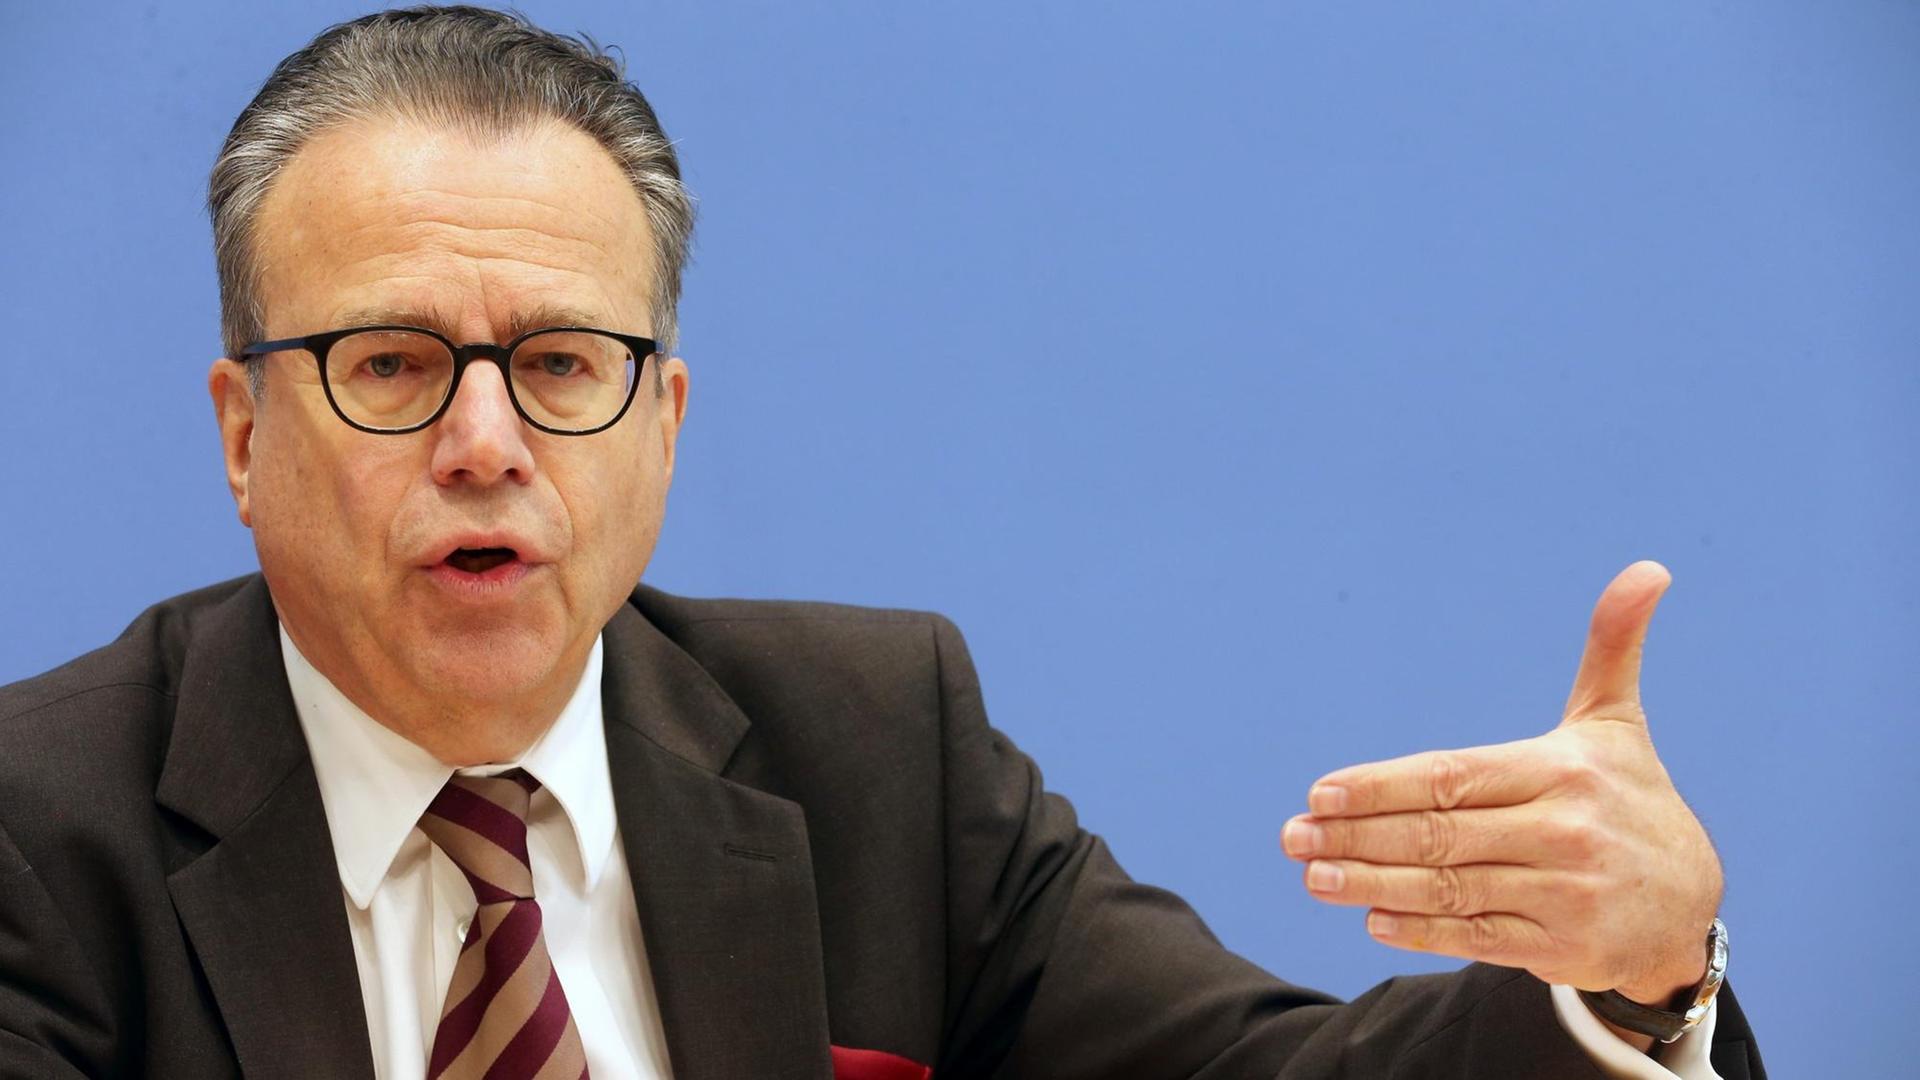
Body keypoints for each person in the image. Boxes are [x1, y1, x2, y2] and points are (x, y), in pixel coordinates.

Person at [0, 7, 1764, 1079]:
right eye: (389, 364)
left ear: (664, 425)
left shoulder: (873, 753)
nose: (485, 445)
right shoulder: (39, 838)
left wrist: (1633, 985)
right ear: (244, 436)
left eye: (561, 365)